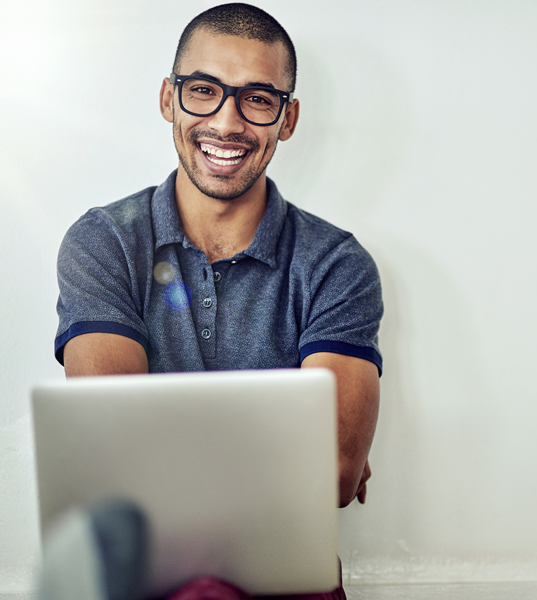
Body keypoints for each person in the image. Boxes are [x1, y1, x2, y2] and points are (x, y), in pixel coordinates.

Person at [50, 3, 383, 599]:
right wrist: (286, 460)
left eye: (257, 98)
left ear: (288, 118)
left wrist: (324, 465)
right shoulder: (103, 241)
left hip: (285, 577)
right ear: (167, 99)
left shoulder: (337, 263)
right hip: (145, 572)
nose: (227, 123)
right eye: (203, 90)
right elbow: (114, 451)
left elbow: (330, 474)